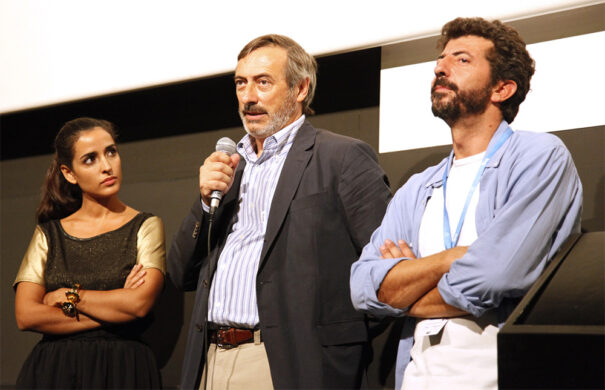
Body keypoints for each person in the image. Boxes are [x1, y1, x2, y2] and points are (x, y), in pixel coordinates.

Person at [350, 17, 582, 390]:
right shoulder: (417, 187)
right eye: (441, 60)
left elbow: (495, 274)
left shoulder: (539, 157)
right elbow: (363, 287)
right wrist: (449, 258)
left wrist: (406, 282)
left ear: (502, 88)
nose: (440, 68)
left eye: (461, 60)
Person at [168, 34, 392, 389]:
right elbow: (181, 273)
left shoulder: (341, 157)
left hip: (287, 361)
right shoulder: (229, 168)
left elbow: (386, 268)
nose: (249, 97)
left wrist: (335, 344)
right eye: (241, 84)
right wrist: (202, 203)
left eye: (263, 82)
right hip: (210, 358)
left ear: (300, 88)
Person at [14, 117, 166, 389]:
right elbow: (26, 315)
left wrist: (67, 296)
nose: (107, 166)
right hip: (56, 372)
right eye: (90, 159)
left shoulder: (145, 226)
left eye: (111, 152)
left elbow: (139, 304)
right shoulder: (49, 235)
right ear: (69, 173)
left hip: (123, 370)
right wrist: (116, 310)